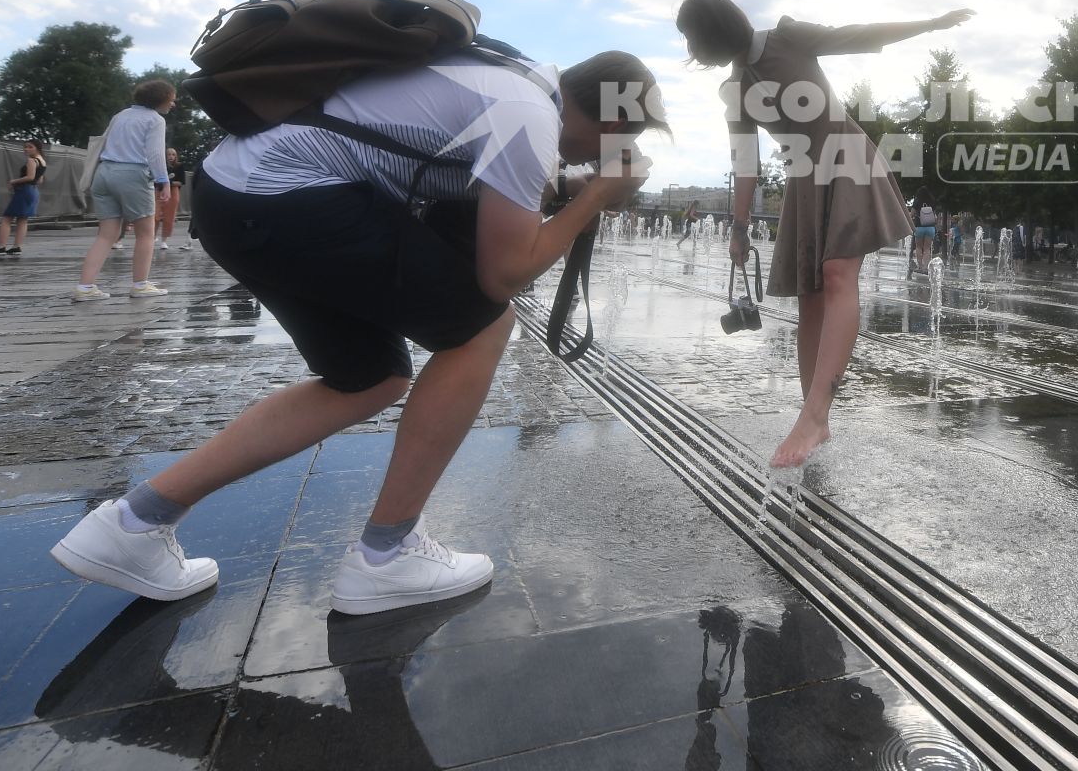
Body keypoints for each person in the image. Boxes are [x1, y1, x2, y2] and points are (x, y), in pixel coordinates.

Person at [49, 48, 662, 611]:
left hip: (241, 198)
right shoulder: (529, 114)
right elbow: (505, 273)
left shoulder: (513, 83)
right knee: (482, 324)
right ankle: (387, 556)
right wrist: (597, 196)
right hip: (295, 199)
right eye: (616, 142)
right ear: (613, 118)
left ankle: (132, 525)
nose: (594, 158)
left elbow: (466, 177)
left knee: (366, 378)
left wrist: (572, 189)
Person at [677, 0, 972, 467]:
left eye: (691, 36)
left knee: (836, 274)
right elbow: (746, 162)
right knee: (809, 293)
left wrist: (932, 24)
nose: (691, 49)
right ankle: (815, 417)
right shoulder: (734, 88)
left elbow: (858, 36)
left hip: (846, 157)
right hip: (804, 178)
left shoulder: (788, 35)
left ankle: (815, 414)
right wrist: (737, 226)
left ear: (713, 28)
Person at [73, 80, 176, 302]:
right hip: (132, 175)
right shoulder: (155, 120)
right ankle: (140, 285)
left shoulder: (121, 115)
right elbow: (156, 154)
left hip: (104, 173)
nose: (173, 103)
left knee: (106, 235)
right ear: (161, 99)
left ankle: (85, 287)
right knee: (146, 233)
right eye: (172, 99)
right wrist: (163, 181)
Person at [0, 140, 46, 254]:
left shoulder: (32, 160)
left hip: (24, 190)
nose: (26, 149)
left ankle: (1, 246)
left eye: (30, 147)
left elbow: (30, 177)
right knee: (23, 219)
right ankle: (17, 245)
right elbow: (39, 180)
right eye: (25, 147)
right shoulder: (42, 162)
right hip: (33, 191)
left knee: (7, 218)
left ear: (37, 148)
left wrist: (14, 181)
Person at [156, 148, 186, 251]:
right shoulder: (160, 165)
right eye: (169, 154)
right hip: (159, 191)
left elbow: (182, 182)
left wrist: (169, 183)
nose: (171, 156)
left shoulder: (179, 166)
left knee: (169, 217)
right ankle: (152, 237)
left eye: (173, 154)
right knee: (155, 215)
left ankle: (164, 241)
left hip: (173, 191)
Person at [911, 187, 939, 269]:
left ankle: (920, 266)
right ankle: (926, 266)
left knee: (919, 247)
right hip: (930, 227)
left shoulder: (917, 201)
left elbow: (912, 214)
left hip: (919, 227)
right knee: (927, 248)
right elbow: (934, 215)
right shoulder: (932, 201)